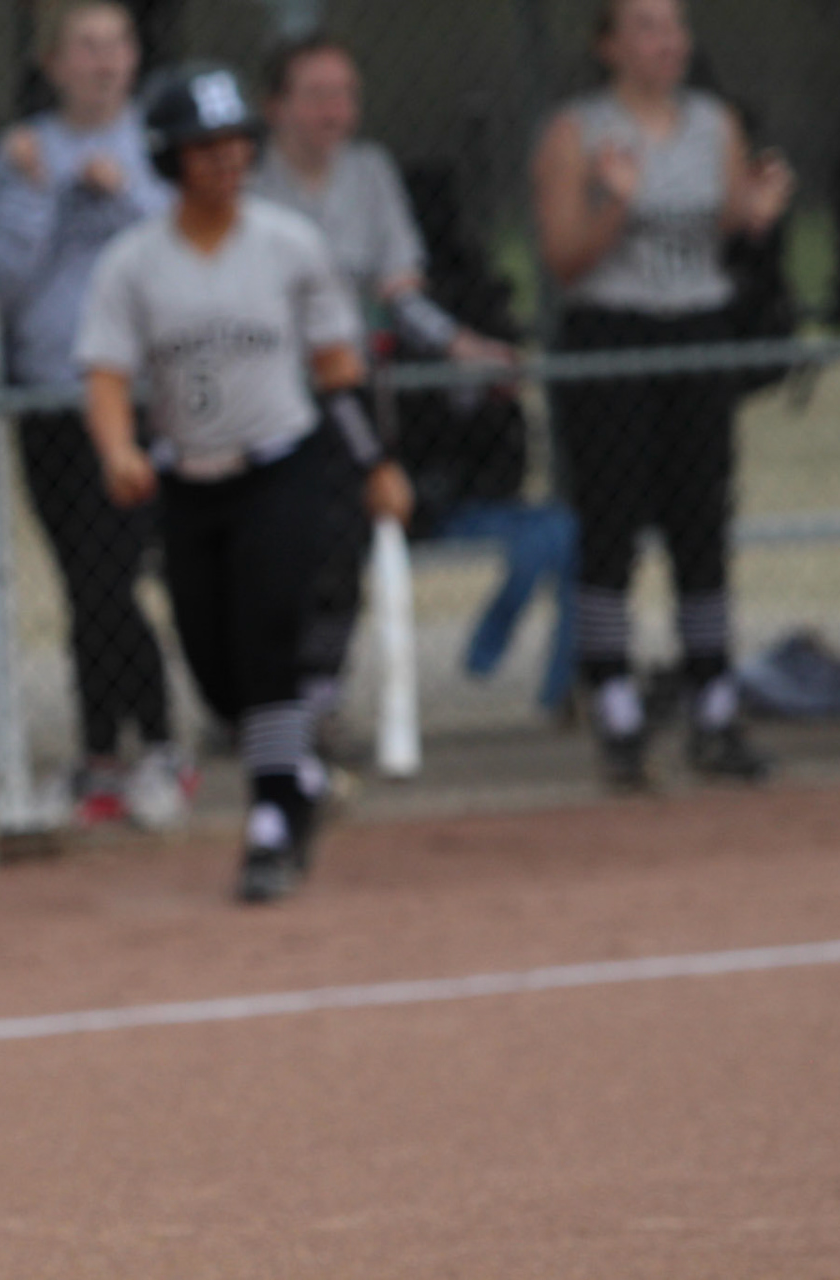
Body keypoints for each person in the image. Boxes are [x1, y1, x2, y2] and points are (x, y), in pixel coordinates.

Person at [76, 64, 411, 902]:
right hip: (190, 482)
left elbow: (338, 370)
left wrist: (374, 463)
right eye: (205, 148)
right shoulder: (134, 262)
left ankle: (270, 822)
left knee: (267, 637)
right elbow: (107, 373)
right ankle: (300, 777)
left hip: (282, 468)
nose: (226, 161)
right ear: (169, 158)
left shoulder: (288, 244)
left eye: (235, 145)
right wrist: (118, 450)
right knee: (213, 670)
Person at [251, 33, 577, 717]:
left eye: (345, 95)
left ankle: (317, 700)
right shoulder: (248, 181)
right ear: (275, 106)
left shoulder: (369, 172)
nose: (335, 111)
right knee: (274, 543)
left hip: (348, 390)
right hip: (266, 391)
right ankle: (262, 691)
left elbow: (400, 294)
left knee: (341, 534)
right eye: (317, 96)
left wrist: (461, 344)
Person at [532, 0, 792, 787]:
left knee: (701, 522)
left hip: (697, 332)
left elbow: (727, 230)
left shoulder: (714, 124)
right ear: (608, 45)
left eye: (673, 26)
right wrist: (614, 199)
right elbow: (564, 259)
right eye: (645, 27)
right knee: (612, 522)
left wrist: (757, 213)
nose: (666, 42)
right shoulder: (577, 131)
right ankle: (613, 700)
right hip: (613, 336)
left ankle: (713, 700)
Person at [0, 0, 191, 827]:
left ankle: (160, 750)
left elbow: (184, 254)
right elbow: (2, 279)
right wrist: (43, 192)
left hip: (132, 398)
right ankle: (102, 761)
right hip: (47, 394)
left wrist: (123, 192)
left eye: (117, 45)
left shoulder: (158, 143)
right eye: (86, 47)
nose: (104, 61)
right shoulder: (23, 151)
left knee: (110, 576)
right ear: (54, 64)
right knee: (83, 583)